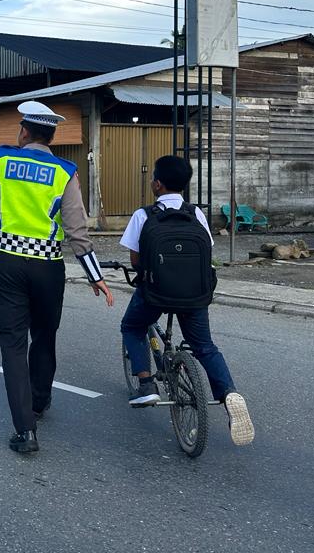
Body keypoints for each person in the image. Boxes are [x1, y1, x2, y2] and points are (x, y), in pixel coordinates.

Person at [0, 93, 113, 454]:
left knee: (14, 344)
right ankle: (40, 400)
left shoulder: (1, 160)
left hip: (7, 264)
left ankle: (25, 431)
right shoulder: (65, 173)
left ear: (24, 132)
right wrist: (95, 275)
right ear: (48, 137)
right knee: (45, 335)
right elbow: (78, 230)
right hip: (48, 268)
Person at [119, 155, 254, 446]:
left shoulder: (144, 215)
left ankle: (145, 383)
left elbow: (135, 259)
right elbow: (206, 250)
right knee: (204, 346)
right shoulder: (197, 214)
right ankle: (228, 393)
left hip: (155, 293)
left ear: (157, 183)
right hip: (195, 294)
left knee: (132, 326)